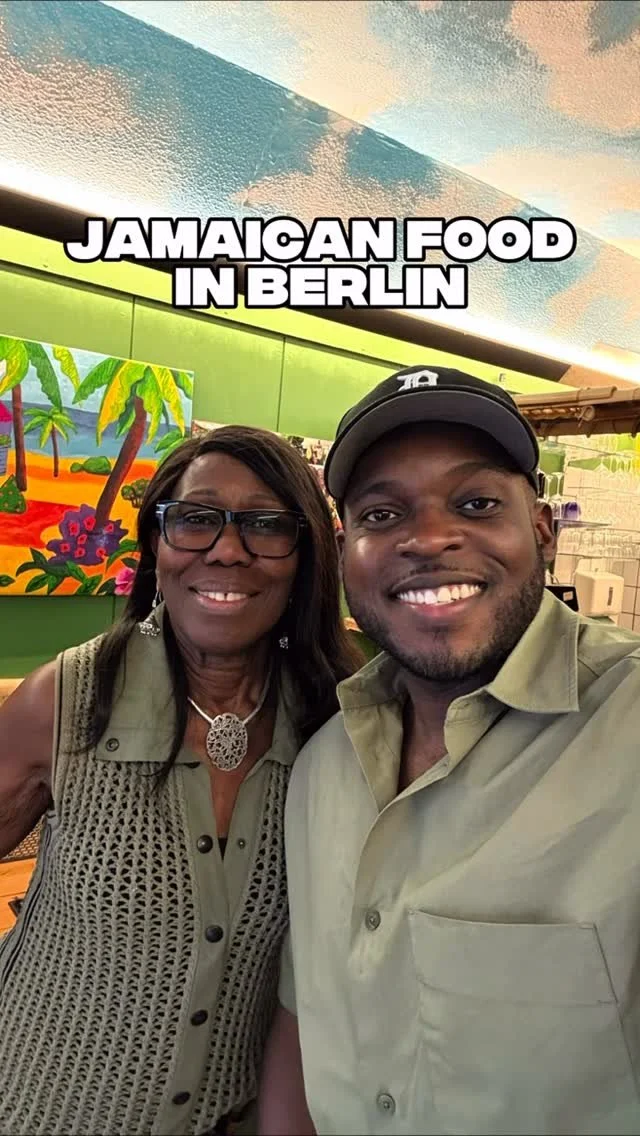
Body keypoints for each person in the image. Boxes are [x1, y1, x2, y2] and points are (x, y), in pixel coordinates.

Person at [259, 366, 640, 1136]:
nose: (429, 538)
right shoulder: (322, 764)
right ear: (347, 552)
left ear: (542, 529)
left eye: (476, 503)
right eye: (383, 513)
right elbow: (308, 1020)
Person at [0, 424, 361, 1136]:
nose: (227, 549)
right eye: (195, 519)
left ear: (305, 555)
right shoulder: (68, 699)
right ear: (157, 545)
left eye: (265, 525)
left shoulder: (334, 726)